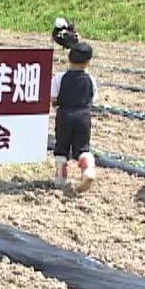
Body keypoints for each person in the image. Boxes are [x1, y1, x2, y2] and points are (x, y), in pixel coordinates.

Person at [51, 41, 98, 192]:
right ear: (88, 62)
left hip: (65, 114)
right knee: (82, 147)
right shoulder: (90, 79)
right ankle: (87, 169)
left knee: (62, 146)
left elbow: (53, 98)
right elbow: (92, 99)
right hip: (84, 116)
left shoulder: (59, 78)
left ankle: (60, 176)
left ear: (69, 58)